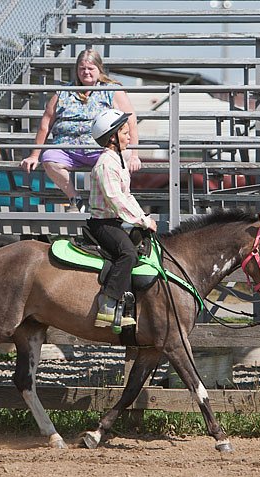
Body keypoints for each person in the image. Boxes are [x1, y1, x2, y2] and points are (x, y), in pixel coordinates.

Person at [20, 49, 141, 213]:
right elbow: (46, 123)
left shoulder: (111, 90)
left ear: (99, 69)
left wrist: (134, 154)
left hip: (102, 148)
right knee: (49, 157)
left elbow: (131, 121)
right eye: (82, 68)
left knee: (121, 156)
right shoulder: (63, 92)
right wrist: (34, 155)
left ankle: (113, 201)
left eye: (90, 68)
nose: (86, 72)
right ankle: (75, 199)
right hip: (67, 148)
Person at [87, 109, 157, 328]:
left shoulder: (118, 161)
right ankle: (108, 303)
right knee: (127, 253)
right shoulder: (106, 164)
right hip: (103, 224)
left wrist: (143, 218)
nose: (129, 137)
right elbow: (116, 200)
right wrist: (143, 221)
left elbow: (127, 195)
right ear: (112, 138)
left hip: (113, 221)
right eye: (125, 133)